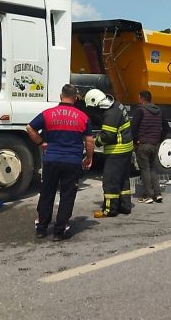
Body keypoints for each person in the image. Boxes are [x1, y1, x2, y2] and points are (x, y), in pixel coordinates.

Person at [26, 84, 94, 241]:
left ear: (60, 96)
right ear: (76, 98)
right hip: (72, 161)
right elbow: (89, 141)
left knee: (47, 193)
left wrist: (41, 143)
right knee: (67, 195)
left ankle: (42, 228)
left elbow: (30, 128)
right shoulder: (83, 117)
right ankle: (60, 230)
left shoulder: (48, 114)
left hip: (51, 160)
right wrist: (89, 157)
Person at [84, 89, 134, 217]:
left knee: (110, 180)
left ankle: (110, 210)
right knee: (122, 179)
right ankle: (125, 206)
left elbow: (108, 136)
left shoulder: (110, 114)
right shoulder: (116, 105)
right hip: (126, 149)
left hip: (117, 151)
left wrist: (97, 142)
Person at [131, 90, 170, 204]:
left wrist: (135, 142)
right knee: (153, 169)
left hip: (143, 145)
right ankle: (157, 194)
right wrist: (159, 140)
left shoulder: (140, 111)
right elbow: (167, 128)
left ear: (142, 99)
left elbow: (133, 128)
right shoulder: (159, 111)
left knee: (145, 170)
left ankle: (147, 195)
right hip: (154, 145)